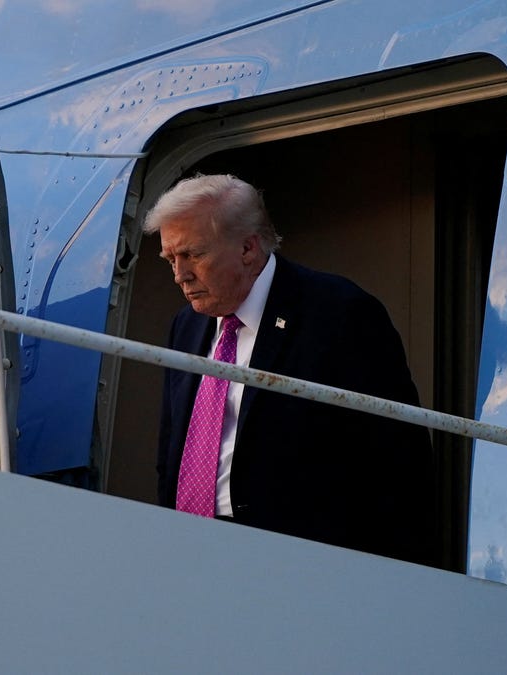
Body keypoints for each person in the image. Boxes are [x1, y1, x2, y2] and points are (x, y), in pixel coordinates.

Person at [143, 174, 437, 566]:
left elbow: (398, 459)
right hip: (195, 552)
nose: (180, 275)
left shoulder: (340, 314)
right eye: (170, 259)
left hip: (303, 561)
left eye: (193, 255)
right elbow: (173, 449)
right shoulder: (187, 324)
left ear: (248, 247)